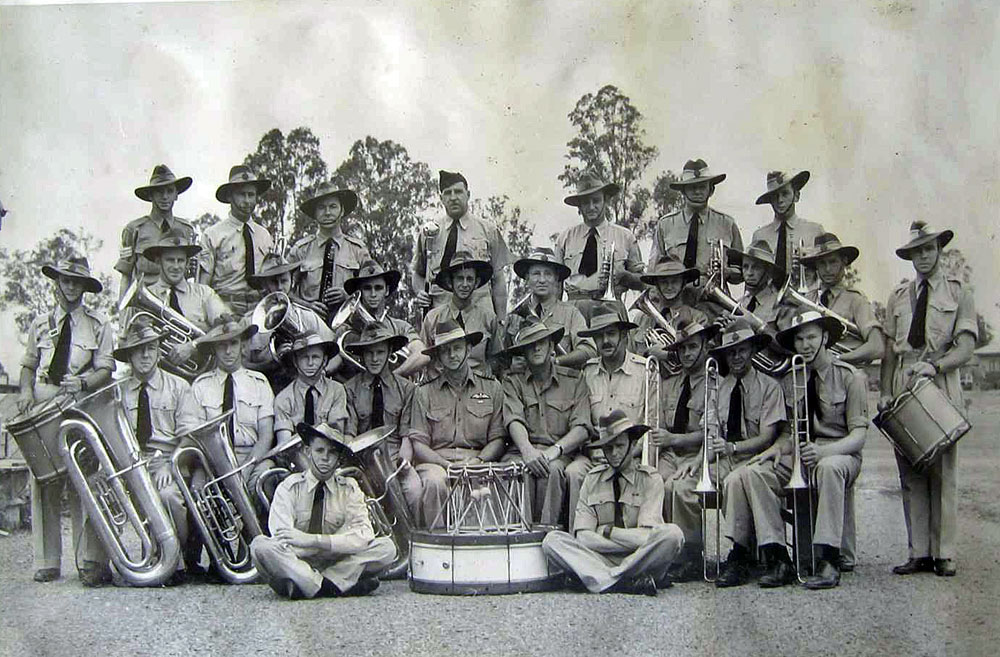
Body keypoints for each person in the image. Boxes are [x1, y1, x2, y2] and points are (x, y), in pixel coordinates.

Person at [725, 311, 867, 590]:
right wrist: (777, 448)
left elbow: (859, 436)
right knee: (754, 473)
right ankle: (778, 556)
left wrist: (825, 453)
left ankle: (828, 558)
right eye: (800, 339)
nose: (806, 344)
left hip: (839, 454)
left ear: (825, 337)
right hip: (800, 454)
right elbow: (790, 432)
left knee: (828, 468)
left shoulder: (851, 377)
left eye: (812, 337)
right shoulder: (791, 378)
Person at [880, 221, 976, 578]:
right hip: (906, 381)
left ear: (939, 250)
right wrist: (887, 390)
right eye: (916, 251)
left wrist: (935, 366)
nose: (922, 256)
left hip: (940, 381)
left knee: (943, 471)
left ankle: (944, 553)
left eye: (928, 249)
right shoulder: (899, 295)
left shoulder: (957, 292)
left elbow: (965, 347)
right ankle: (918, 551)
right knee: (910, 471)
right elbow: (890, 349)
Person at [17, 257, 115, 585]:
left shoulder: (99, 324)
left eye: (78, 282)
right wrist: (25, 393)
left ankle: (86, 559)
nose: (71, 286)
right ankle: (47, 561)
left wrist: (85, 382)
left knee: (82, 478)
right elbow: (29, 366)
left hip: (78, 405)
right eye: (66, 280)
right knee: (43, 479)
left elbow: (106, 368)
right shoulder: (40, 323)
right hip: (44, 405)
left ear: (86, 288)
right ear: (57, 282)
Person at [669, 321, 785, 582]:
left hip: (757, 460)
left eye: (741, 350)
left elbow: (767, 437)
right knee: (682, 485)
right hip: (724, 459)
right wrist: (698, 461)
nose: (736, 357)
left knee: (735, 481)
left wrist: (733, 447)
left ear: (753, 351)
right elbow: (711, 434)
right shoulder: (718, 389)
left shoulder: (769, 386)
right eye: (731, 352)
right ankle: (691, 556)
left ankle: (740, 555)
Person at [541, 410, 685, 596]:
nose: (614, 453)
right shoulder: (592, 480)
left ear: (633, 445)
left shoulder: (650, 479)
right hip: (601, 559)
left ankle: (605, 579)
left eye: (619, 445)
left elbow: (647, 537)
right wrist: (627, 541)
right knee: (552, 541)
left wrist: (608, 531)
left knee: (672, 534)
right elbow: (584, 538)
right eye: (608, 448)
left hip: (641, 558)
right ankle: (625, 582)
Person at [250, 422, 396, 598]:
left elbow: (364, 535)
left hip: (337, 562)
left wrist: (313, 541)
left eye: (332, 452)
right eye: (319, 451)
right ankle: (332, 585)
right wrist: (338, 543)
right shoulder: (289, 487)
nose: (325, 458)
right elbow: (282, 540)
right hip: (297, 562)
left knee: (387, 548)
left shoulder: (349, 488)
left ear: (339, 458)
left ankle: (309, 586)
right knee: (260, 546)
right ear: (307, 452)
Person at [111, 317, 201, 584]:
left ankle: (175, 559)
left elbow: (189, 437)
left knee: (169, 496)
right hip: (132, 464)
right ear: (129, 355)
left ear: (160, 350)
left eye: (151, 347)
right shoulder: (117, 392)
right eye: (138, 349)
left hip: (169, 462)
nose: (146, 354)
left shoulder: (179, 386)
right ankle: (104, 565)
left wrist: (169, 466)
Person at [407, 320, 506, 528]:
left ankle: (490, 541)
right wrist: (448, 466)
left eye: (457, 348)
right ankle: (438, 541)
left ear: (469, 349)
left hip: (478, 460)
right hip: (437, 463)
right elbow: (419, 445)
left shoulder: (492, 387)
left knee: (499, 479)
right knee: (434, 482)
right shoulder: (424, 392)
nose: (452, 355)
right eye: (445, 351)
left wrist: (478, 461)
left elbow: (497, 438)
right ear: (439, 357)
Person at [568, 306, 654, 531]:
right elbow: (583, 425)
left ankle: (638, 543)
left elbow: (652, 426)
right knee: (574, 472)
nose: (605, 340)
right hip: (596, 457)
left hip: (632, 457)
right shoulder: (586, 373)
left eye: (611, 334)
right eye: (599, 336)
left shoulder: (644, 371)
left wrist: (625, 455)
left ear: (624, 336)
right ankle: (579, 541)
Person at [501, 322, 592, 527]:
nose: (537, 348)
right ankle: (516, 535)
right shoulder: (513, 381)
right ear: (523, 352)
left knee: (552, 470)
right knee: (515, 469)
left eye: (542, 342)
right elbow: (513, 418)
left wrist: (554, 451)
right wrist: (528, 451)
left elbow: (582, 427)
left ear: (552, 346)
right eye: (530, 345)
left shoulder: (574, 380)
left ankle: (547, 535)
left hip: (560, 453)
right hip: (523, 451)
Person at [343, 323, 422, 520]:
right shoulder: (349, 389)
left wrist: (404, 463)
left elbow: (407, 436)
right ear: (362, 355)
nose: (375, 358)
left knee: (414, 490)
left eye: (380, 352)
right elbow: (349, 435)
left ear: (389, 352)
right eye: (369, 353)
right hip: (363, 463)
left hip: (395, 458)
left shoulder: (407, 389)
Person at [411, 170, 511, 323]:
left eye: (458, 192)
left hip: (480, 315)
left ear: (468, 194)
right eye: (447, 193)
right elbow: (418, 273)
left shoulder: (487, 230)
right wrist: (420, 292)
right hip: (441, 315)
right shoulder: (430, 232)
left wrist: (501, 320)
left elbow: (498, 279)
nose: (453, 198)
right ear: (441, 198)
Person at [190, 317, 274, 494]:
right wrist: (200, 472)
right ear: (214, 348)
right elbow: (195, 439)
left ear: (242, 346)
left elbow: (266, 435)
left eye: (233, 344)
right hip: (212, 462)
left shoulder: (259, 383)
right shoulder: (200, 385)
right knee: (197, 492)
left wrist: (246, 468)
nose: (228, 351)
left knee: (268, 475)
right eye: (221, 345)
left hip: (250, 457)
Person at [650, 318, 720, 510]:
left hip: (697, 455)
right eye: (682, 349)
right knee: (649, 482)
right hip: (669, 456)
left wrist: (673, 439)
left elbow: (710, 434)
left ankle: (688, 540)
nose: (687, 354)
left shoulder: (715, 385)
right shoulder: (670, 383)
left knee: (674, 487)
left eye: (693, 347)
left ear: (706, 348)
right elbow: (661, 425)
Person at [554, 173, 645, 320]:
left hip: (611, 309)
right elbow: (556, 287)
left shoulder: (625, 236)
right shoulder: (565, 238)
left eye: (596, 201)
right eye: (585, 202)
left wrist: (625, 277)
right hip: (574, 311)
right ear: (579, 206)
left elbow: (643, 282)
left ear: (606, 201)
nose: (591, 207)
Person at [139, 230, 231, 367]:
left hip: (202, 375)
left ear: (187, 263)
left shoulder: (204, 293)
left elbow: (227, 328)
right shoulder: (145, 297)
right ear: (159, 261)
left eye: (180, 260)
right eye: (170, 260)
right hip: (159, 375)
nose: (176, 266)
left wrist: (193, 345)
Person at [647, 159, 743, 287]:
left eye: (702, 187)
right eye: (692, 187)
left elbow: (743, 271)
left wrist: (728, 272)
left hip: (715, 301)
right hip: (676, 299)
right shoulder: (666, 224)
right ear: (683, 191)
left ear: (711, 190)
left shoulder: (727, 224)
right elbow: (654, 270)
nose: (697, 191)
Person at [243, 252, 330, 388]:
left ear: (292, 282)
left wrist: (319, 373)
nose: (279, 287)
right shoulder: (249, 321)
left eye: (284, 281)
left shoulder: (307, 315)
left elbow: (336, 355)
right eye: (273, 282)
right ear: (263, 284)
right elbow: (239, 366)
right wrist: (271, 363)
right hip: (264, 388)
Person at [796, 232, 885, 364]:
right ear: (816, 266)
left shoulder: (855, 300)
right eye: (822, 263)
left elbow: (877, 347)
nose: (827, 269)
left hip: (847, 374)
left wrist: (838, 359)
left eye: (833, 262)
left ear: (844, 262)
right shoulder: (808, 299)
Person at [287, 181, 370, 322]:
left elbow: (374, 288)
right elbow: (281, 289)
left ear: (342, 211)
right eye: (321, 208)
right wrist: (307, 306)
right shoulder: (300, 250)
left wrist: (348, 294)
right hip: (309, 324)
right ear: (314, 213)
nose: (327, 213)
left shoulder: (357, 250)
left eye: (333, 207)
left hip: (348, 323)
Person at [505, 246, 597, 371]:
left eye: (548, 274)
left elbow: (589, 350)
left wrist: (558, 361)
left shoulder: (571, 313)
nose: (542, 280)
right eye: (536, 274)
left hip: (561, 383)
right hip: (523, 384)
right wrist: (510, 366)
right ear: (527, 278)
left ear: (556, 279)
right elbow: (501, 358)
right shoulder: (514, 316)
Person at [198, 165, 274, 315]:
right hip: (224, 307)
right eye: (241, 194)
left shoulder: (264, 235)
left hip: (259, 308)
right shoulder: (213, 235)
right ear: (229, 197)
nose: (247, 201)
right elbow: (203, 285)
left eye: (251, 195)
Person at [332, 260, 426, 378]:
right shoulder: (346, 331)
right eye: (367, 288)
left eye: (378, 288)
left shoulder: (401, 327)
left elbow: (422, 354)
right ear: (359, 292)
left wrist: (391, 377)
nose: (373, 294)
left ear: (386, 290)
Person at [272, 331, 348, 470]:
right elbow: (284, 445)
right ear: (295, 361)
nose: (310, 362)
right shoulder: (283, 399)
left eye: (316, 357)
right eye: (304, 357)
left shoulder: (337, 390)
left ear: (324, 360)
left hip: (330, 459)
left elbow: (337, 434)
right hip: (298, 466)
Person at [116, 164, 196, 296]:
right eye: (159, 191)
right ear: (150, 196)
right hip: (145, 303)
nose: (164, 197)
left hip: (178, 302)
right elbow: (126, 276)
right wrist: (123, 314)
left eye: (170, 191)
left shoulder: (186, 230)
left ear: (176, 195)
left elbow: (189, 275)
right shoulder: (135, 229)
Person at [419, 251, 502, 376]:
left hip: (477, 388)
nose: (464, 284)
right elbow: (423, 359)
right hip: (441, 388)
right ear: (449, 282)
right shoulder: (433, 318)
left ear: (477, 282)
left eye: (469, 279)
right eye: (459, 278)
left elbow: (496, 359)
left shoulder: (488, 318)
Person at [750, 170, 824, 286]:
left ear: (796, 196)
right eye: (775, 196)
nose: (780, 200)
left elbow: (825, 275)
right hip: (770, 301)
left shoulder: (815, 231)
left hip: (805, 299)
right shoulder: (759, 236)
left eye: (785, 194)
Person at [631, 255, 709, 362]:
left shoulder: (698, 318)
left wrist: (668, 355)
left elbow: (700, 359)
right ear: (656, 284)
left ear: (683, 282)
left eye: (675, 281)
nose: (669, 287)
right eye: (664, 282)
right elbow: (631, 356)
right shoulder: (641, 319)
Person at [726, 240, 785, 332]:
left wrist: (756, 325)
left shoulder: (780, 304)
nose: (749, 273)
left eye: (756, 267)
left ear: (769, 271)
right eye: (745, 266)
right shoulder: (740, 303)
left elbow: (785, 344)